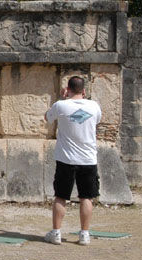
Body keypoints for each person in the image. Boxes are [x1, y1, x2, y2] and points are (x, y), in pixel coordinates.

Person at [44, 76, 102, 246]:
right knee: (86, 197)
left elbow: (47, 118)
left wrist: (62, 99)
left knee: (61, 196)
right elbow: (97, 121)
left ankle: (56, 232)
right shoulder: (94, 106)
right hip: (88, 158)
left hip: (66, 159)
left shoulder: (61, 105)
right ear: (84, 91)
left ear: (67, 89)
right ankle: (84, 233)